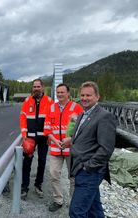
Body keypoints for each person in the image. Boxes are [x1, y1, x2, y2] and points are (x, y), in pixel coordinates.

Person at [68, 81, 116, 217]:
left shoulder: (104, 116)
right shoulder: (82, 114)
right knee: (94, 210)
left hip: (89, 172)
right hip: (80, 169)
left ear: (97, 97)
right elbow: (83, 138)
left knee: (76, 212)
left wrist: (88, 166)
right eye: (82, 95)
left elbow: (106, 149)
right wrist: (70, 141)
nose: (84, 98)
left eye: (88, 95)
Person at [44, 83, 83, 212]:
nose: (60, 94)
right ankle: (58, 200)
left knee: (73, 177)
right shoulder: (51, 108)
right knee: (54, 174)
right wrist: (55, 141)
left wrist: (70, 140)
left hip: (71, 148)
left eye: (62, 92)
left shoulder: (76, 108)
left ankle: (74, 202)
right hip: (56, 148)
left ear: (68, 93)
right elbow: (47, 129)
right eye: (58, 92)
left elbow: (83, 129)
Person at [19, 79, 54, 199]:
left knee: (42, 162)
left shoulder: (49, 101)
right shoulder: (27, 101)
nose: (36, 88)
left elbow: (53, 119)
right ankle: (24, 187)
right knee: (27, 163)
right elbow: (23, 118)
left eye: (38, 86)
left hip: (44, 138)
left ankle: (38, 185)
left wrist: (50, 135)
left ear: (43, 88)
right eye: (34, 86)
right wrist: (24, 134)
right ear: (32, 88)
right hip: (30, 138)